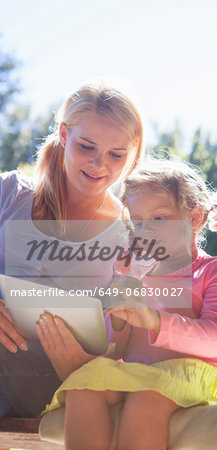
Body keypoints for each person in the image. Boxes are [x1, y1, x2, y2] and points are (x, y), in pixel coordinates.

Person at [37, 158, 217, 450]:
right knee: (83, 386)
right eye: (137, 222)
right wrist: (119, 312)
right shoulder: (136, 275)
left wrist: (154, 321)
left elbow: (216, 339)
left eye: (159, 218)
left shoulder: (215, 272)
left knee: (146, 396)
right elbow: (116, 349)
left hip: (195, 378)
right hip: (138, 375)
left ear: (194, 219)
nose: (146, 230)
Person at [0, 78, 144, 417]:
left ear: (132, 151)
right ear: (64, 134)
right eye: (87, 147)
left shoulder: (129, 234)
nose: (99, 164)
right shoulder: (10, 193)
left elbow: (125, 340)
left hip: (55, 379)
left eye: (116, 154)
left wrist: (82, 365)